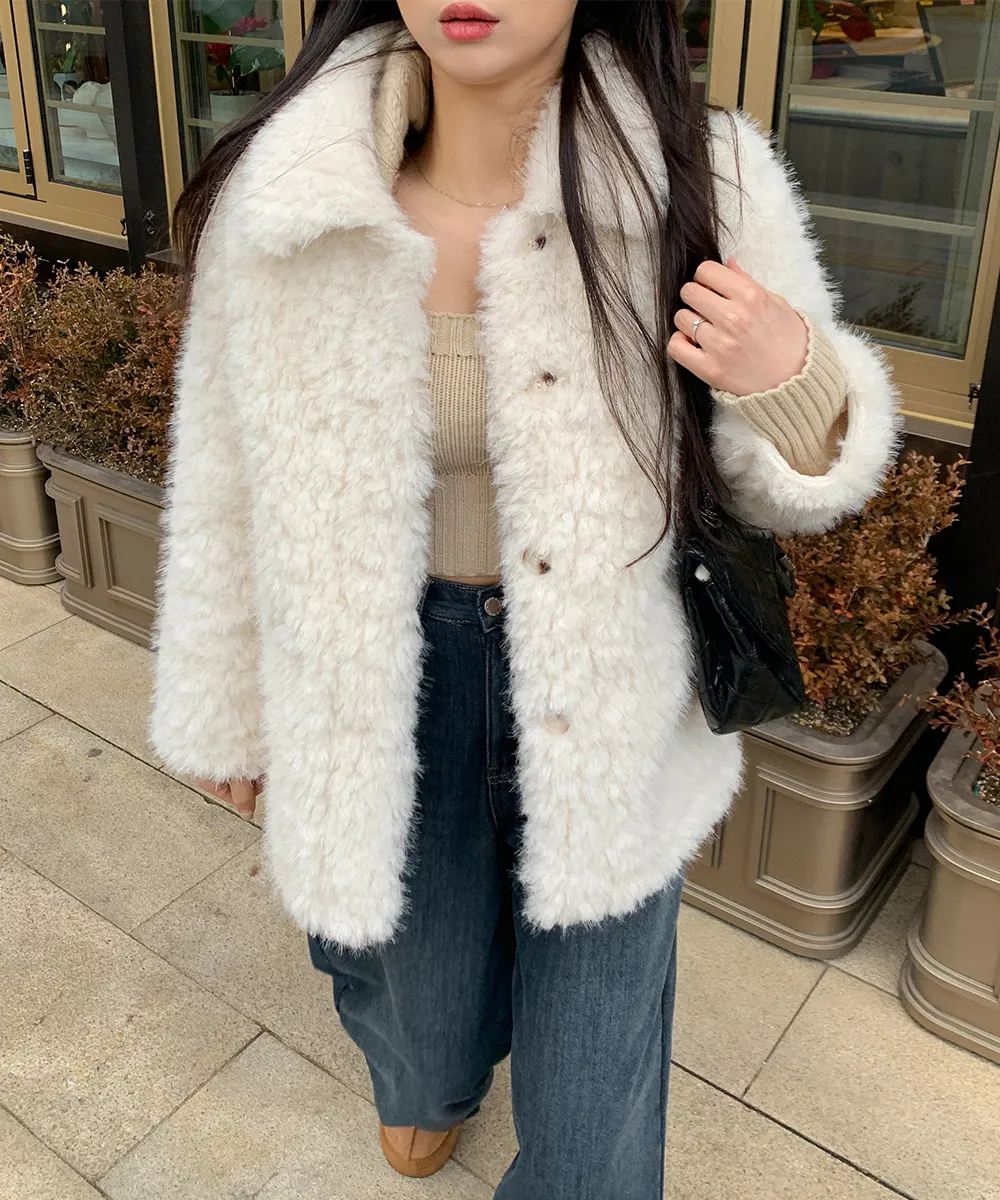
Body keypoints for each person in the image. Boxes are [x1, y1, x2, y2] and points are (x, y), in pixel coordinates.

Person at [147, 2, 900, 1195]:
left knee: (595, 1085)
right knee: (414, 989)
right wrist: (223, 706)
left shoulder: (699, 177)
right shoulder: (293, 192)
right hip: (380, 673)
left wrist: (790, 379)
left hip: (608, 687)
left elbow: (786, 489)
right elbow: (224, 473)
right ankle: (433, 1079)